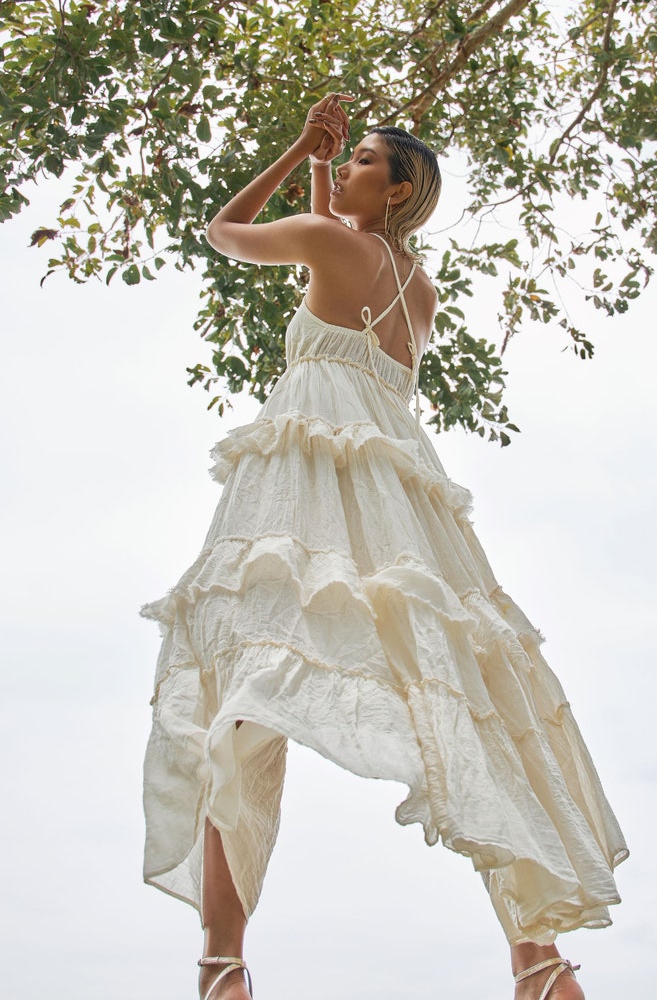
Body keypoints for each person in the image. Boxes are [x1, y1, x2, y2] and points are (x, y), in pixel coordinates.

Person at [141, 93, 628, 1000]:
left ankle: (221, 967)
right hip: (400, 491)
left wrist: (297, 150)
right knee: (458, 689)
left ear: (398, 188)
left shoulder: (331, 241)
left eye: (366, 159)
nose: (350, 166)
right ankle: (541, 961)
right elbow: (343, 258)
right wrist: (331, 170)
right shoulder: (419, 287)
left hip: (309, 479)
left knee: (244, 692)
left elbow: (225, 231)